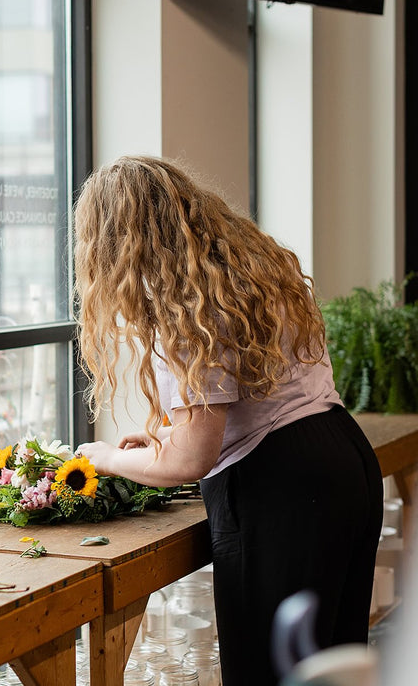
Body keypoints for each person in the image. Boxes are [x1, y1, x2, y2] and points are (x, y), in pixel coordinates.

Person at [73, 155, 383, 686]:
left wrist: (107, 458)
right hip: (342, 458)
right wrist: (161, 438)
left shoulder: (184, 308)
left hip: (283, 493)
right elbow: (260, 398)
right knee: (330, 670)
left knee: (271, 673)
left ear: (117, 245)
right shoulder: (250, 273)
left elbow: (195, 459)